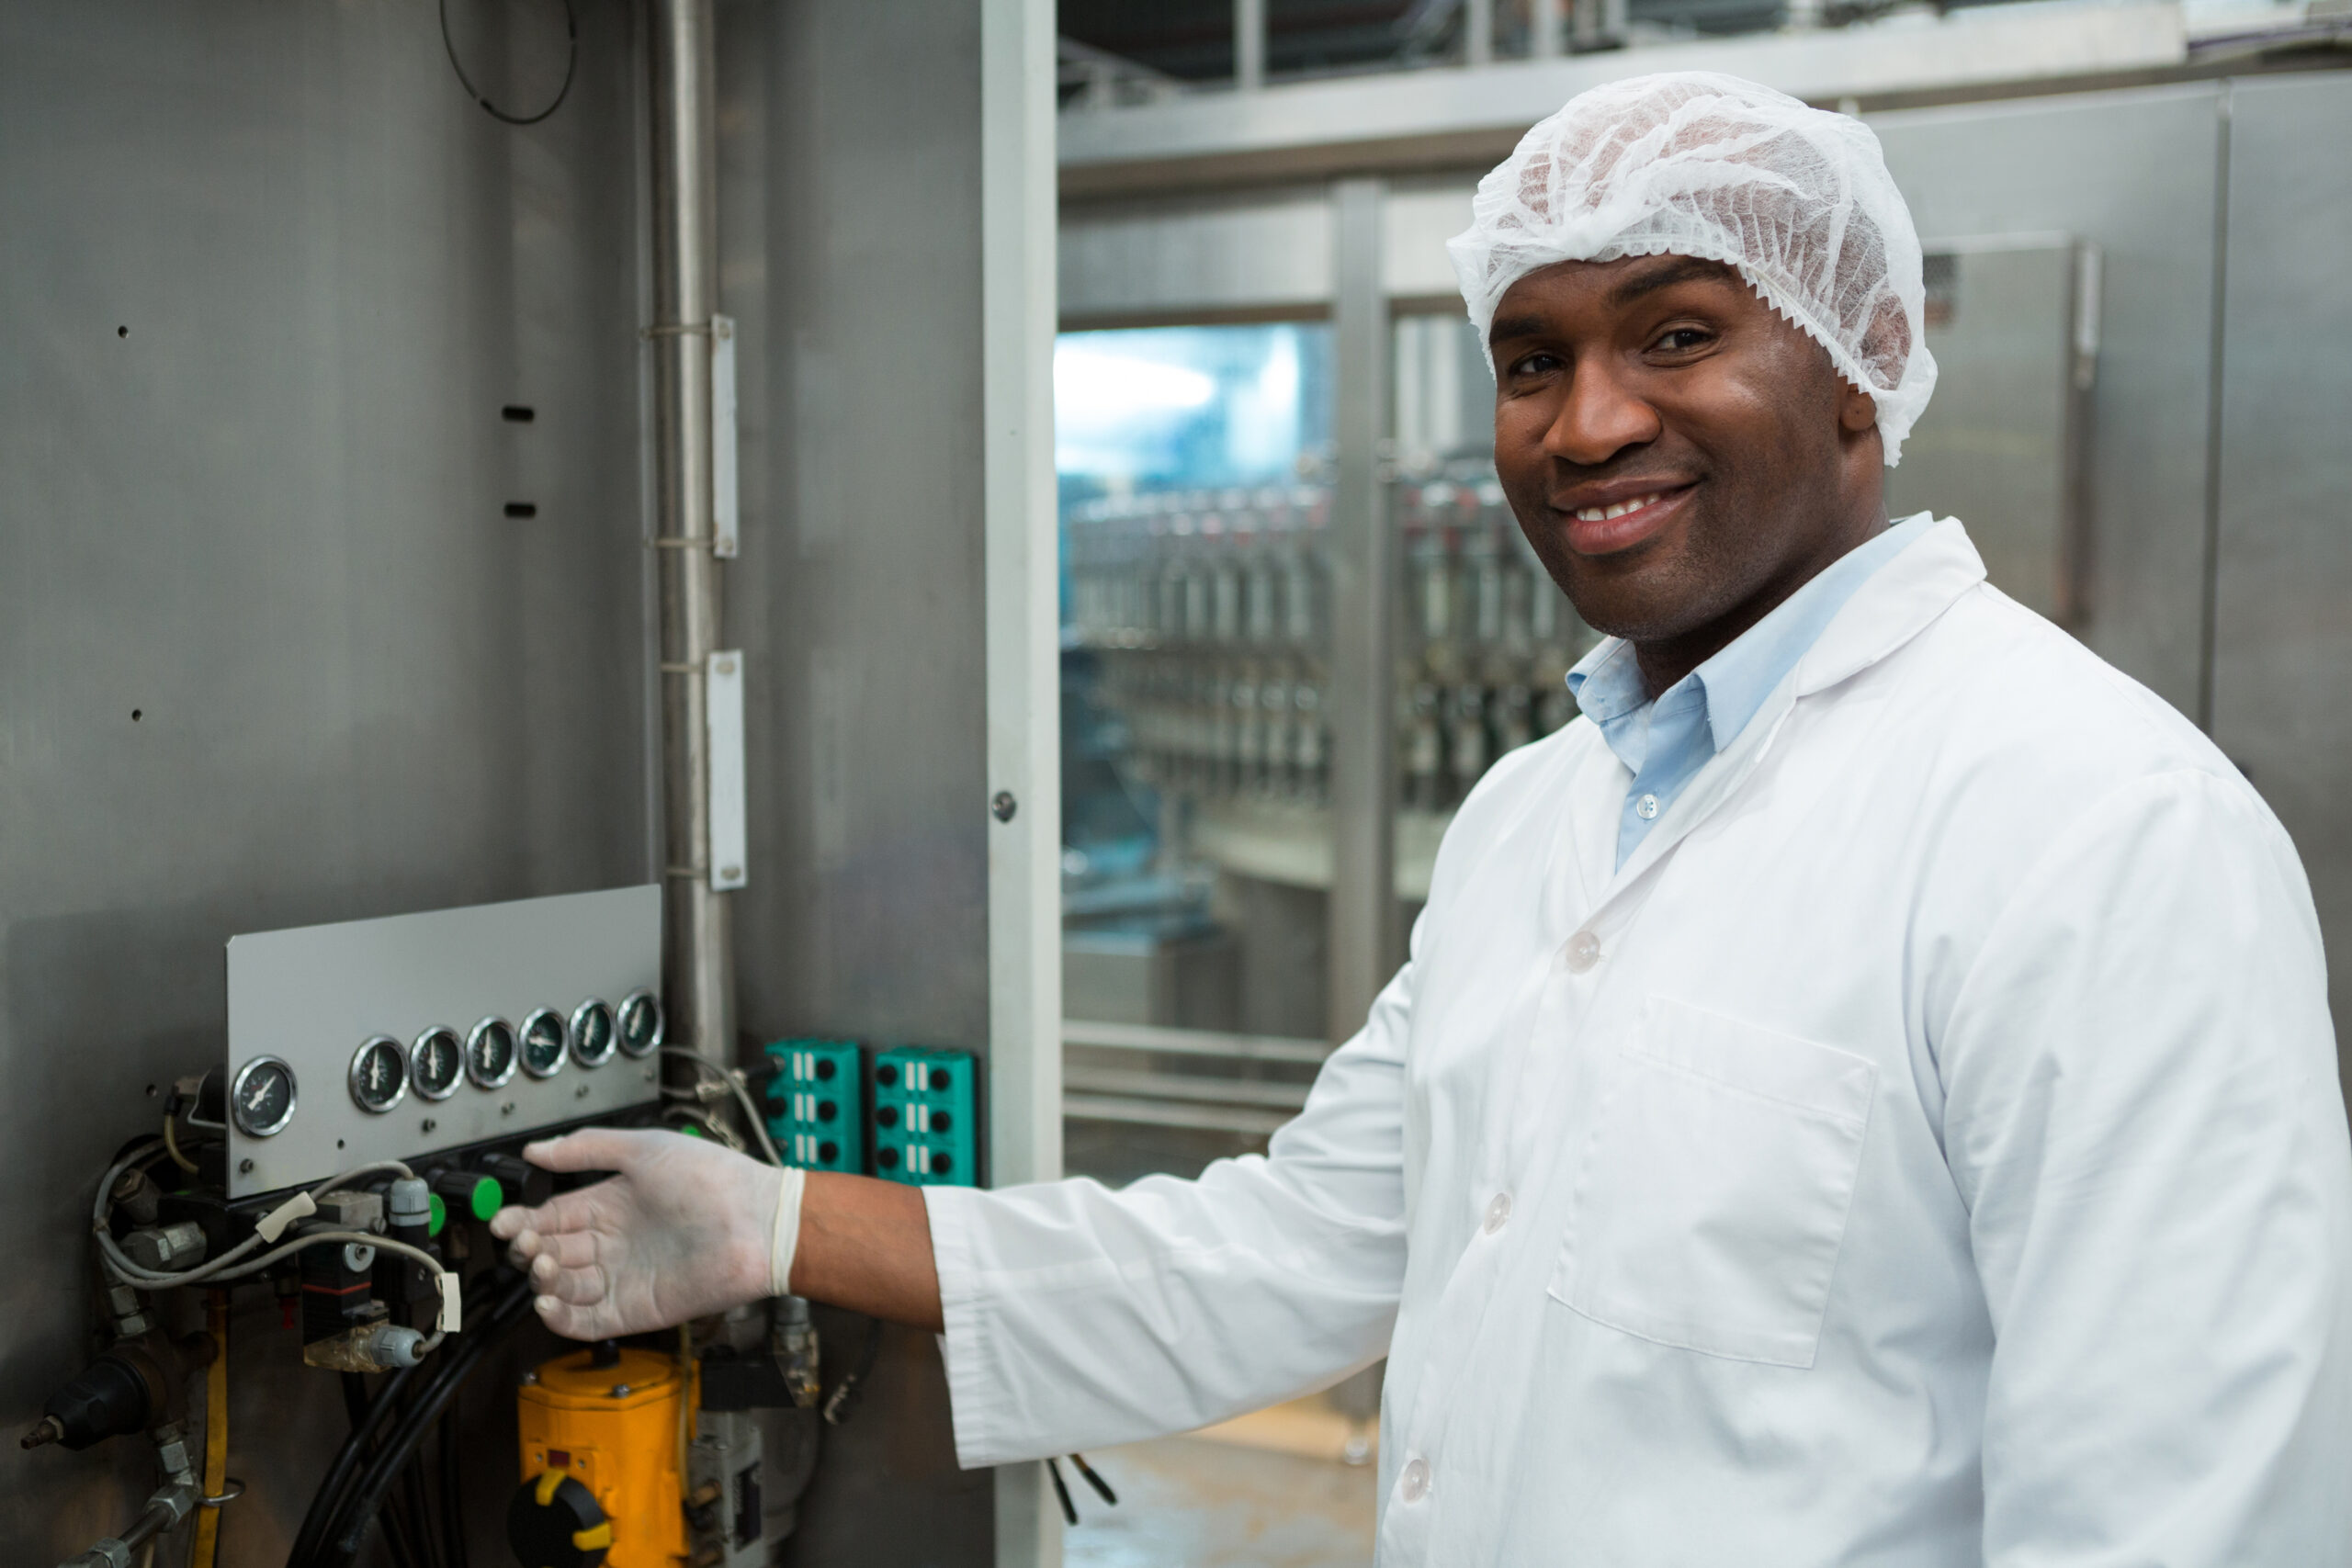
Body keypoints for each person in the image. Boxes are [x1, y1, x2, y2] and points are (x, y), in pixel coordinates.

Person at [492, 72, 2352, 1564]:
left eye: (1676, 332)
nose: (1584, 425)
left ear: (1861, 367)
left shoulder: (2096, 831)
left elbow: (2177, 1513)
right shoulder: (1539, 812)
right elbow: (1291, 1252)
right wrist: (773, 1221)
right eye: (1532, 359)